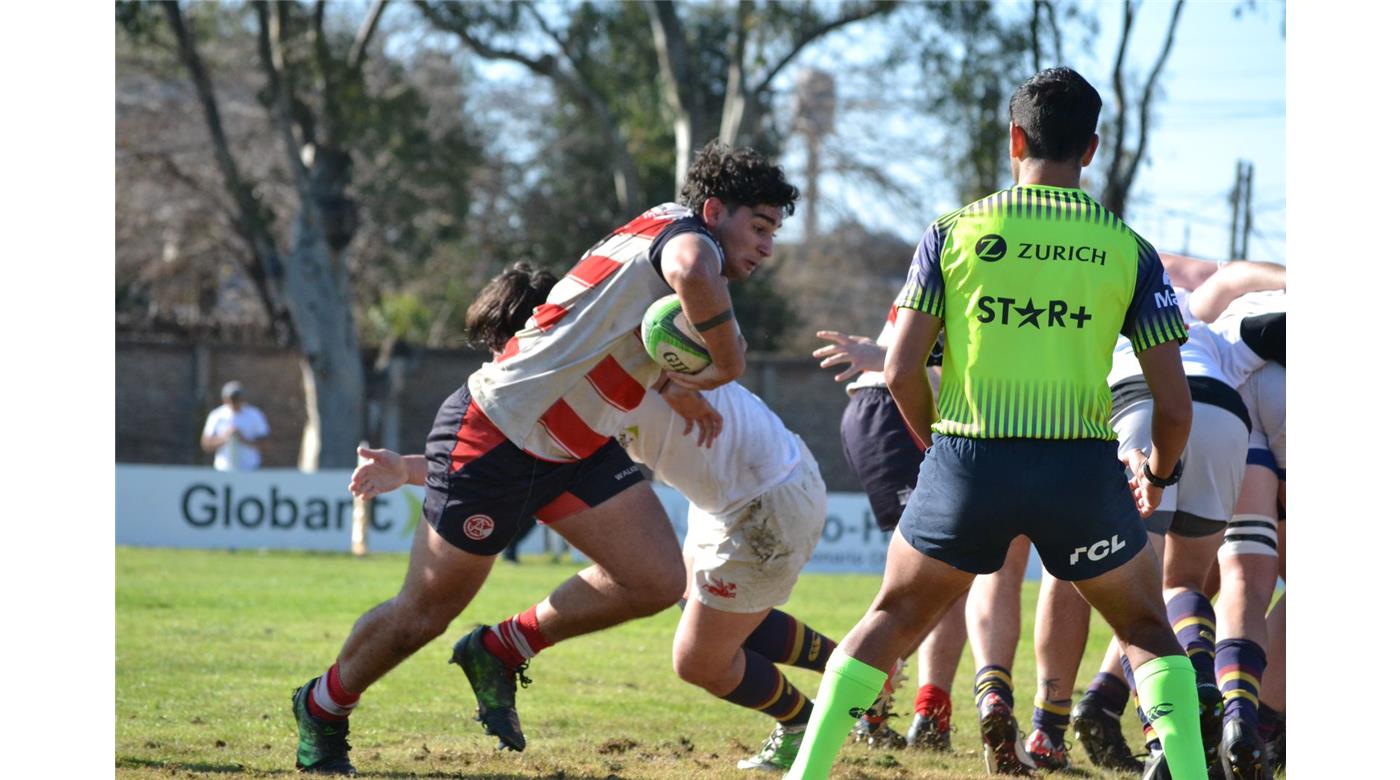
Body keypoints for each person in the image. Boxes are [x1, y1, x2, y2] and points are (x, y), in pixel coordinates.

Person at [289, 142, 799, 775]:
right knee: (423, 613)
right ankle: (323, 705)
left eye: (773, 232)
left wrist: (671, 384)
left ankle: (501, 649)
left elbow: (615, 328)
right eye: (760, 227)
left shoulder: (663, 224)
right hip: (496, 434)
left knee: (655, 581)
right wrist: (729, 364)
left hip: (574, 449)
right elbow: (694, 269)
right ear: (715, 209)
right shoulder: (691, 240)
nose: (767, 246)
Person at [784, 67, 1207, 780]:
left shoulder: (952, 231)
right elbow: (1173, 405)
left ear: (1015, 139)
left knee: (890, 619)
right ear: (1094, 149)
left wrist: (937, 453)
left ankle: (808, 772)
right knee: (1143, 630)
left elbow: (898, 371)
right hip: (1080, 471)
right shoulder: (1128, 249)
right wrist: (1160, 475)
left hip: (968, 461)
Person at [352, 261, 835, 773]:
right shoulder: (573, 380)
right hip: (742, 489)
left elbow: (671, 344)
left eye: (506, 346)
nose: (502, 365)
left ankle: (810, 722)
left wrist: (681, 382)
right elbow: (493, 467)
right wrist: (406, 469)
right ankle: (862, 674)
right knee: (708, 614)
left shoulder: (599, 368)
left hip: (763, 497)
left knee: (699, 659)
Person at [813, 316, 968, 753]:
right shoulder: (961, 253)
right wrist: (882, 356)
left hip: (896, 410)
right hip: (891, 411)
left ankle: (929, 715)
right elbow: (915, 352)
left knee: (953, 579)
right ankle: (861, 705)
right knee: (926, 582)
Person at [200, 380, 270, 471]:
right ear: (225, 399)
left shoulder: (254, 415)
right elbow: (206, 444)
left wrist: (243, 439)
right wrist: (225, 438)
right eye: (231, 399)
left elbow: (265, 444)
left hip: (250, 468)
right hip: (223, 469)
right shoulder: (216, 415)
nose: (234, 403)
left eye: (237, 399)